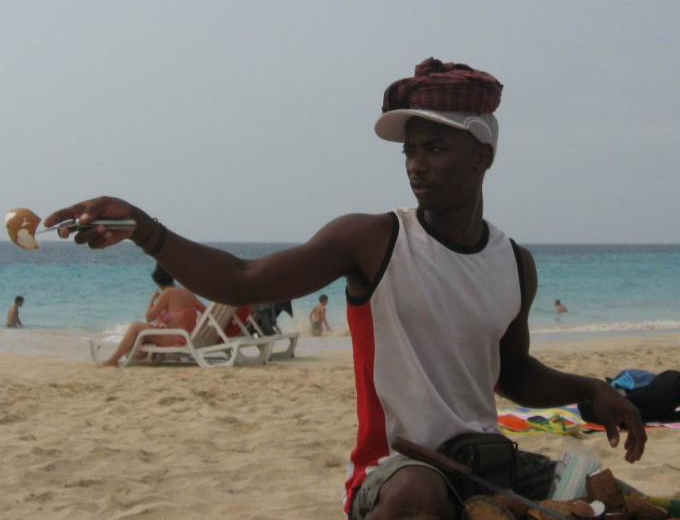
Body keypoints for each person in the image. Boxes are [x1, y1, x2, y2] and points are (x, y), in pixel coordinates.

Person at [44, 57, 646, 519]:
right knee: (416, 495)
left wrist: (591, 389)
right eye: (410, 151)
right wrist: (147, 230)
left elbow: (512, 373)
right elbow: (241, 280)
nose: (416, 164)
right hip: (400, 467)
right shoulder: (373, 240)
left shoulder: (513, 263)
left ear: (482, 155)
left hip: (488, 461)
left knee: (609, 496)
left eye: (436, 148)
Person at [98, 263, 206, 368]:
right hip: (186, 336)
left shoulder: (167, 293)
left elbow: (149, 317)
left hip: (176, 338)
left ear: (158, 283)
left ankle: (113, 360)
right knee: (155, 324)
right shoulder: (187, 292)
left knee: (135, 326)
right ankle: (147, 356)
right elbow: (205, 311)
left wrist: (152, 299)